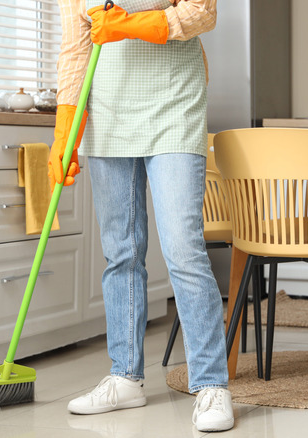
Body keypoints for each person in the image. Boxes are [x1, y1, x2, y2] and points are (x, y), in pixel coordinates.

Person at [51, 0, 233, 432]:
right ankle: (125, 377)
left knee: (183, 250)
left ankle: (210, 385)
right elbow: (76, 49)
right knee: (121, 252)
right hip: (107, 113)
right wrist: (65, 127)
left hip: (174, 102)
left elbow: (201, 13)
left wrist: (133, 23)